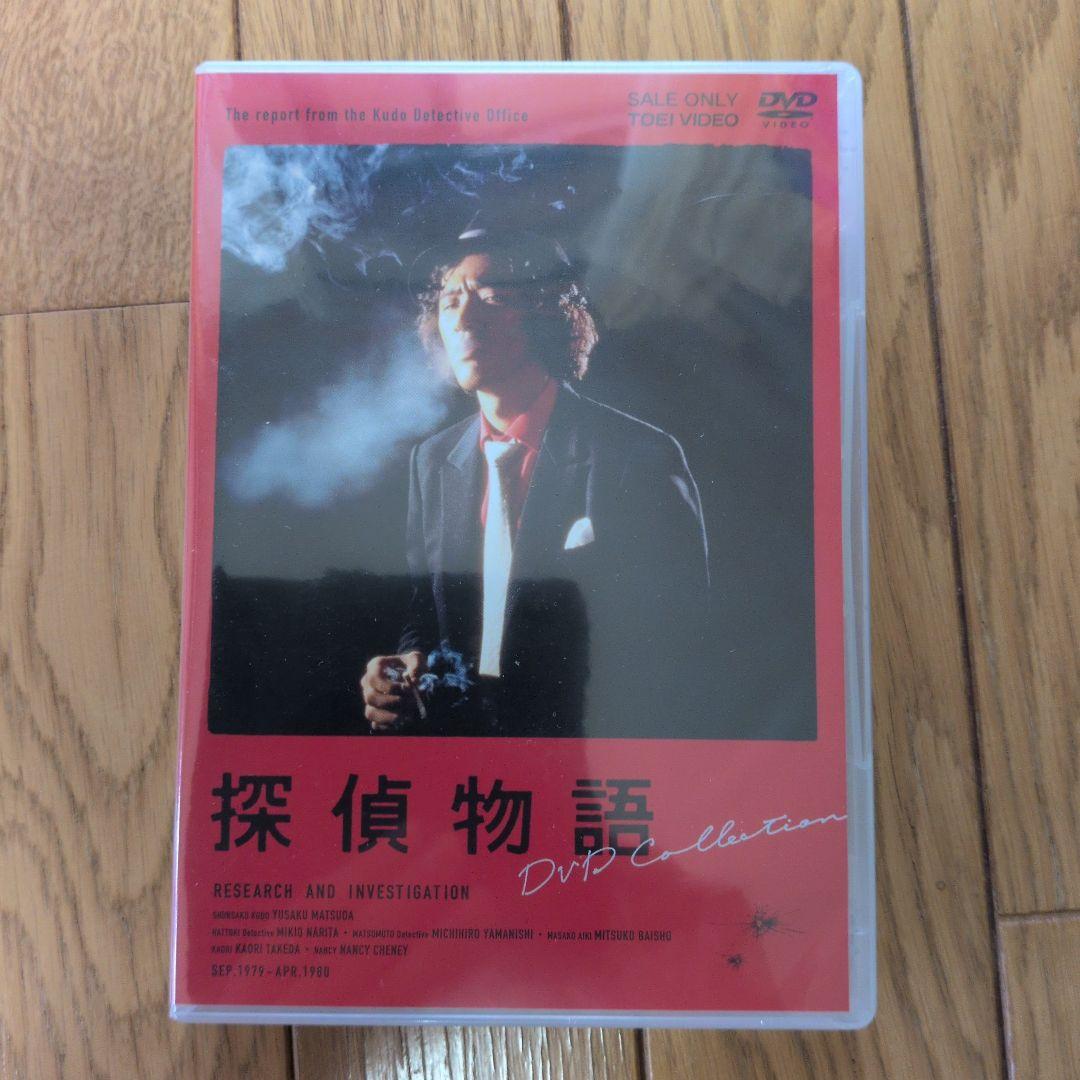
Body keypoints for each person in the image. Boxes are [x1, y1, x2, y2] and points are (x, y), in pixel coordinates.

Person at [361, 227, 709, 737]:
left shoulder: (638, 454)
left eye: (492, 298)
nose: (462, 317)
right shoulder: (432, 460)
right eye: (450, 301)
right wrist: (404, 664)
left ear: (550, 313)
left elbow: (682, 638)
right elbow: (424, 610)